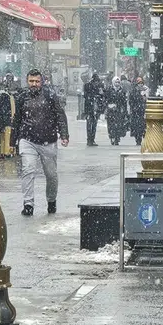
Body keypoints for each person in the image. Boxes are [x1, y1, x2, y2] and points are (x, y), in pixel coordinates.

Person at [10, 69, 69, 217]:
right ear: (27, 81)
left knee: (51, 175)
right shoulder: (22, 97)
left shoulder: (50, 96)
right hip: (27, 139)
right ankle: (28, 204)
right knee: (28, 170)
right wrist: (13, 141)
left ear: (41, 82)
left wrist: (64, 135)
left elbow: (60, 116)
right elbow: (17, 120)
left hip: (48, 141)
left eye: (36, 81)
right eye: (31, 81)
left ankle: (51, 201)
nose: (34, 84)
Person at [105, 76, 129, 145]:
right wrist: (109, 105)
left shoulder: (122, 90)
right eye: (116, 82)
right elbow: (106, 99)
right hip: (111, 111)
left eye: (118, 82)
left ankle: (117, 138)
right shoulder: (109, 89)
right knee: (111, 125)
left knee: (118, 125)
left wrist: (124, 110)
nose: (117, 83)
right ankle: (112, 137)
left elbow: (124, 101)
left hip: (119, 111)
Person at [83, 73, 105, 146]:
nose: (96, 83)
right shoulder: (87, 86)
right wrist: (94, 96)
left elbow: (103, 95)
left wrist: (100, 95)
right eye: (96, 81)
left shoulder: (100, 86)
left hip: (96, 108)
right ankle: (89, 139)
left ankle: (92, 139)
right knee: (89, 124)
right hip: (90, 108)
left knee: (94, 125)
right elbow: (85, 96)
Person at [129, 77, 148, 145]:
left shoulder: (145, 91)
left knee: (143, 126)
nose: (140, 85)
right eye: (139, 83)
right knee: (137, 126)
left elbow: (147, 100)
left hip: (143, 111)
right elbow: (131, 101)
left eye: (141, 83)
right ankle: (138, 139)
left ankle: (143, 137)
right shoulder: (134, 91)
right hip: (136, 112)